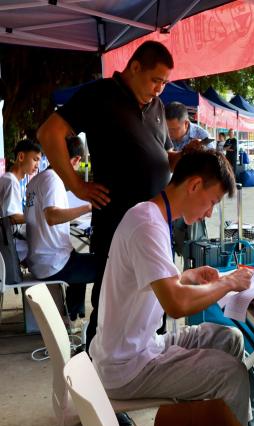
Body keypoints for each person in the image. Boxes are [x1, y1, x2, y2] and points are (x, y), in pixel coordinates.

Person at [89, 149, 252, 426]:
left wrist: (186, 277)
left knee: (230, 339)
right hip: (127, 367)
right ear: (195, 185)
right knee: (231, 375)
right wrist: (228, 282)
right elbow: (177, 304)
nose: (209, 213)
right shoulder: (147, 225)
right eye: (212, 202)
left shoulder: (150, 216)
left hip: (143, 346)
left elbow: (154, 282)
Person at [37, 40, 179, 354]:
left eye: (164, 83)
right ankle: (93, 377)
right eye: (155, 80)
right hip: (116, 226)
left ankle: (143, 369)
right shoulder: (99, 94)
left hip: (155, 226)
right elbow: (48, 133)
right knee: (109, 309)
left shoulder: (156, 106)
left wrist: (178, 159)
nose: (159, 89)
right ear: (135, 67)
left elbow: (160, 154)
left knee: (152, 307)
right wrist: (76, 185)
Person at [24, 136, 96, 321]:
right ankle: (93, 320)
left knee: (81, 259)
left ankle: (73, 315)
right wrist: (88, 207)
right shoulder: (53, 179)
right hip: (53, 263)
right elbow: (52, 216)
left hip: (39, 260)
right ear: (76, 159)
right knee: (106, 266)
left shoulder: (36, 180)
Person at [0, 139, 42, 261]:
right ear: (21, 157)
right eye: (35, 159)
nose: (37, 165)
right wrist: (40, 216)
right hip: (10, 244)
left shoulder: (9, 179)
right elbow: (11, 218)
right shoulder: (11, 182)